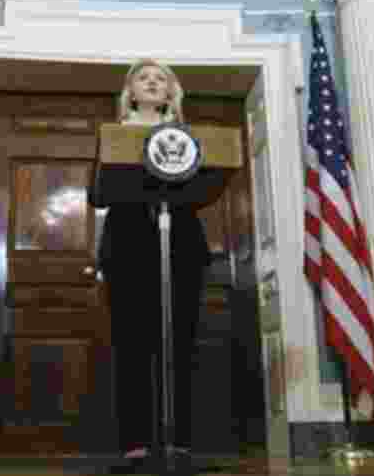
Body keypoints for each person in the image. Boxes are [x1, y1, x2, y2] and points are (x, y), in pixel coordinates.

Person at [90, 59, 212, 472]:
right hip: (129, 247)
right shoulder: (114, 134)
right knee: (133, 347)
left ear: (171, 92)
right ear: (131, 92)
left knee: (180, 343)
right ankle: (135, 443)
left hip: (181, 244)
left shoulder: (190, 137)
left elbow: (205, 187)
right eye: (144, 78)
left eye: (161, 79)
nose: (153, 83)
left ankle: (180, 440)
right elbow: (97, 194)